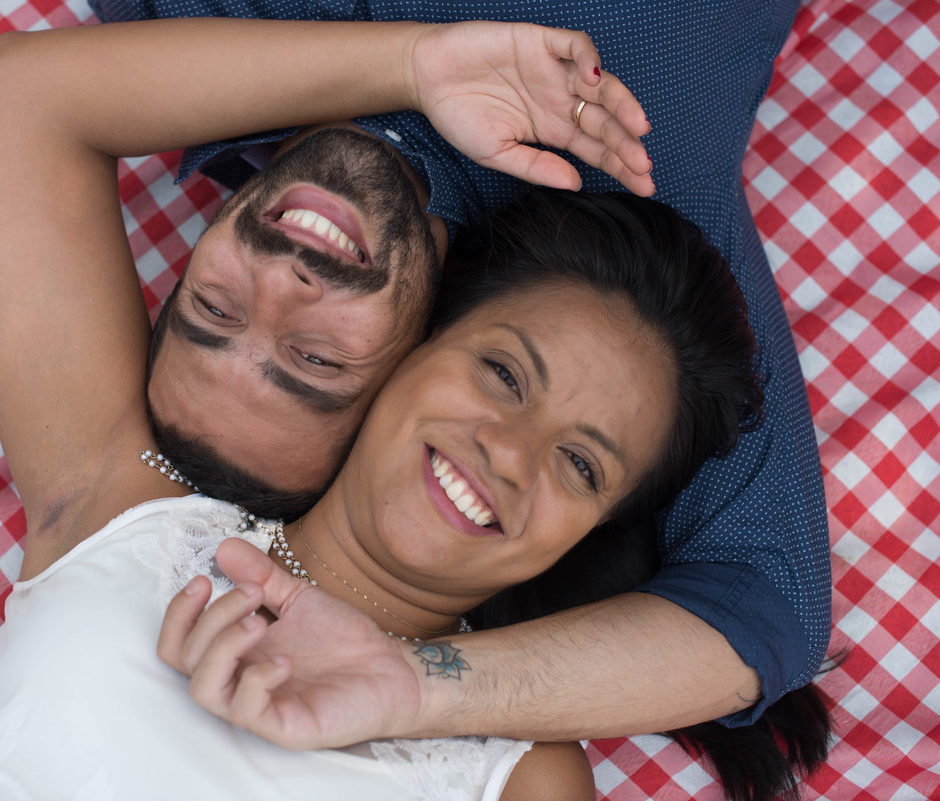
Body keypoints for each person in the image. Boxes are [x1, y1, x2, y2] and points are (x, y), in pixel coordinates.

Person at [0, 186, 767, 800]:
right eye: (504, 374)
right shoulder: (133, 498)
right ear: (412, 347)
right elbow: (39, 97)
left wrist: (410, 690)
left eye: (582, 466)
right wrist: (414, 70)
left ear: (589, 532)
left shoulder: (520, 774)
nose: (510, 453)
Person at [93, 1, 833, 747]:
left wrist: (414, 64)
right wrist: (414, 683)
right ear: (410, 356)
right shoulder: (636, 149)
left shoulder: (173, 36)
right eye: (316, 358)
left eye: (215, 309)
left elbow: (41, 93)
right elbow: (766, 610)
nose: (287, 283)